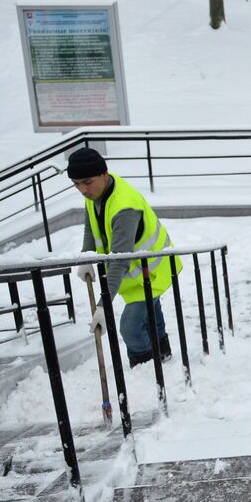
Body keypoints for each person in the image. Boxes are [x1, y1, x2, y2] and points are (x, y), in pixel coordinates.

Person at [67, 148, 182, 367]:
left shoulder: (124, 208)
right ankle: (164, 358)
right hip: (138, 271)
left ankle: (147, 369)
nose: (82, 189)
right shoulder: (96, 193)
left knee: (130, 327)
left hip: (151, 272)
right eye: (76, 183)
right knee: (151, 315)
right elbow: (90, 225)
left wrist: (103, 307)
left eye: (87, 182)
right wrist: (87, 256)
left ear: (104, 174)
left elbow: (120, 261)